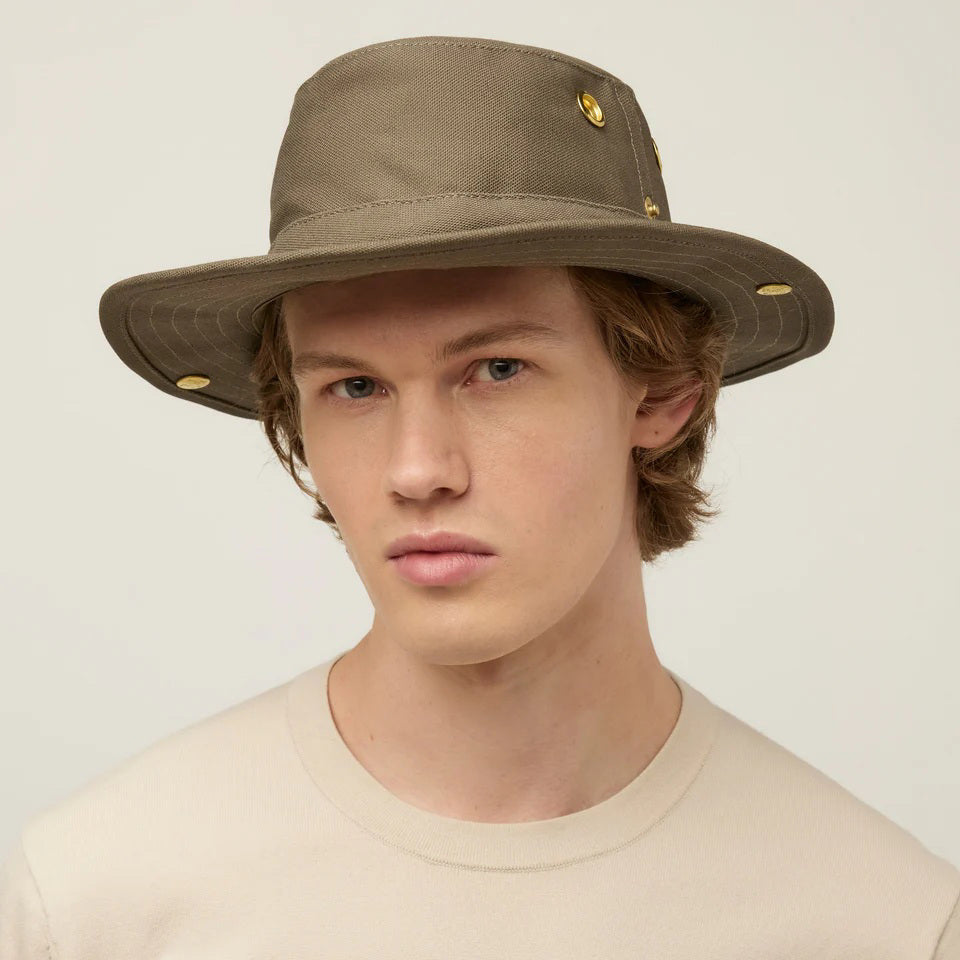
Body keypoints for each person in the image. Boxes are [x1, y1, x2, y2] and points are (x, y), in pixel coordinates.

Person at [2, 34, 958, 960]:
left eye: (496, 369)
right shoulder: (88, 904)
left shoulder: (881, 924)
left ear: (666, 391)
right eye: (355, 387)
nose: (418, 470)